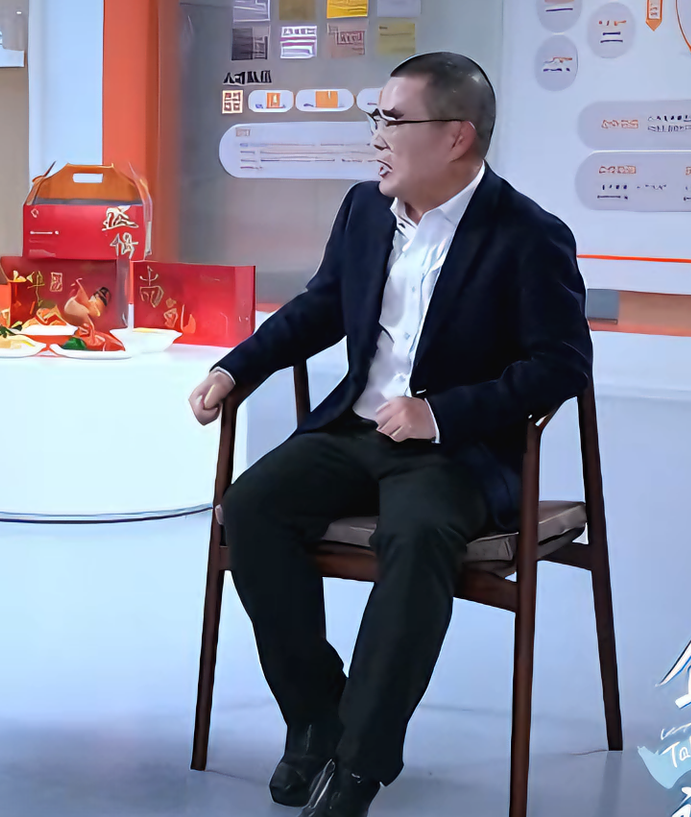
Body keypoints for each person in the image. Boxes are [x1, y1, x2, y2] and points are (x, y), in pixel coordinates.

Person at [186, 52, 591, 817]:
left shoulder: (529, 235)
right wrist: (237, 369)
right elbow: (322, 305)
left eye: (393, 120)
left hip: (457, 450)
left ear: (456, 136)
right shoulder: (364, 210)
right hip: (355, 426)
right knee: (252, 507)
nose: (375, 136)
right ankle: (317, 716)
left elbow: (562, 364)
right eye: (375, 118)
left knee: (418, 535)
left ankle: (359, 762)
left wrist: (441, 413)